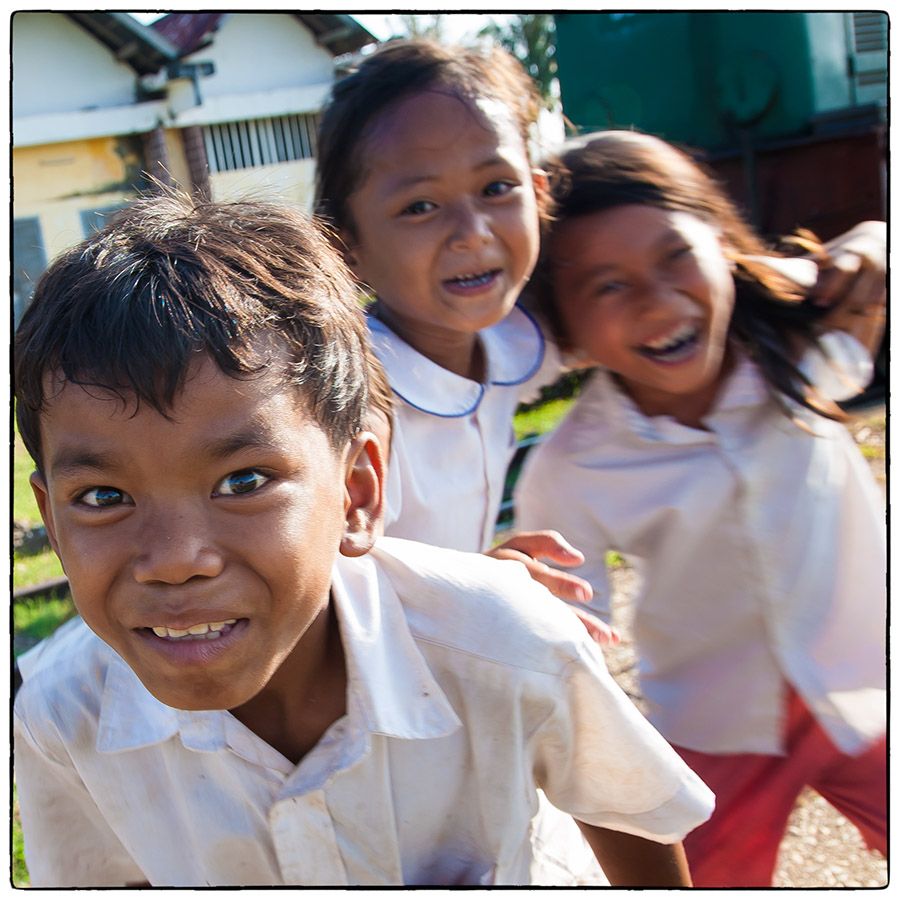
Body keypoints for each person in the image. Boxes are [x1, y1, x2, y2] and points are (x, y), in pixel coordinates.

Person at [12, 190, 715, 888]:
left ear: (357, 492)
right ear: (53, 519)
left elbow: (631, 815)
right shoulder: (61, 719)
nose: (174, 561)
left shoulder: (504, 644)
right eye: (102, 498)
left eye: (243, 481)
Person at [513, 130, 887, 888]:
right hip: (713, 730)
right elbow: (571, 644)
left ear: (719, 244)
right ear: (567, 331)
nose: (657, 300)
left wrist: (875, 242)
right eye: (607, 286)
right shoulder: (573, 466)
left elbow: (861, 306)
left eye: (676, 255)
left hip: (866, 689)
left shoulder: (793, 360)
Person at [314, 39, 600, 615]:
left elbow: (608, 329)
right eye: (420, 206)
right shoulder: (349, 406)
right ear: (346, 247)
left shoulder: (504, 343)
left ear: (538, 193)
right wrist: (483, 584)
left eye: (496, 189)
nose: (473, 232)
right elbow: (330, 601)